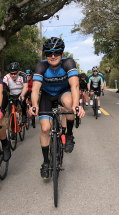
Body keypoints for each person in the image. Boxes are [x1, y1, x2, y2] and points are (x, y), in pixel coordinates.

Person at [29, 37, 85, 179]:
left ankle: (69, 134)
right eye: (49, 53)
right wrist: (34, 105)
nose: (53, 56)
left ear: (62, 53)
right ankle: (46, 162)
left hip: (63, 92)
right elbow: (35, 89)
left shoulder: (68, 63)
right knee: (45, 129)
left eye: (57, 53)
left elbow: (74, 86)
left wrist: (77, 105)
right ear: (45, 55)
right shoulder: (41, 66)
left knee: (70, 103)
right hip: (47, 95)